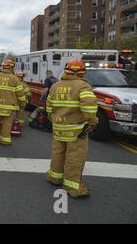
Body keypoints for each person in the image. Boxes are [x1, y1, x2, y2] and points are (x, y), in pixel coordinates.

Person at [45, 59, 98, 198]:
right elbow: (89, 107)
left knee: (58, 153)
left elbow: (49, 108)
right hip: (77, 130)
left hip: (58, 127)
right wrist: (93, 121)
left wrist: (54, 120)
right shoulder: (83, 86)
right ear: (82, 72)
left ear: (66, 70)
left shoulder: (55, 86)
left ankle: (54, 177)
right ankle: (72, 187)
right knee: (74, 158)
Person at [0, 60, 26, 146]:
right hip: (9, 107)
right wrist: (22, 104)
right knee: (7, 124)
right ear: (12, 67)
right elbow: (20, 94)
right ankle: (5, 140)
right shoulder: (15, 79)